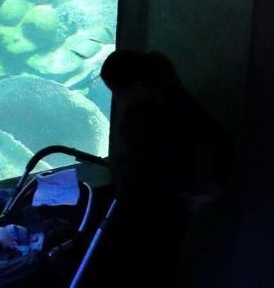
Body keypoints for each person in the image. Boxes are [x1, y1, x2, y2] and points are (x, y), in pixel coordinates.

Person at [91, 50, 229, 284]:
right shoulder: (148, 102)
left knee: (155, 266)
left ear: (137, 85)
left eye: (119, 92)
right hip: (150, 199)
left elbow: (217, 142)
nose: (119, 98)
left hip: (165, 204)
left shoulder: (175, 105)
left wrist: (213, 188)